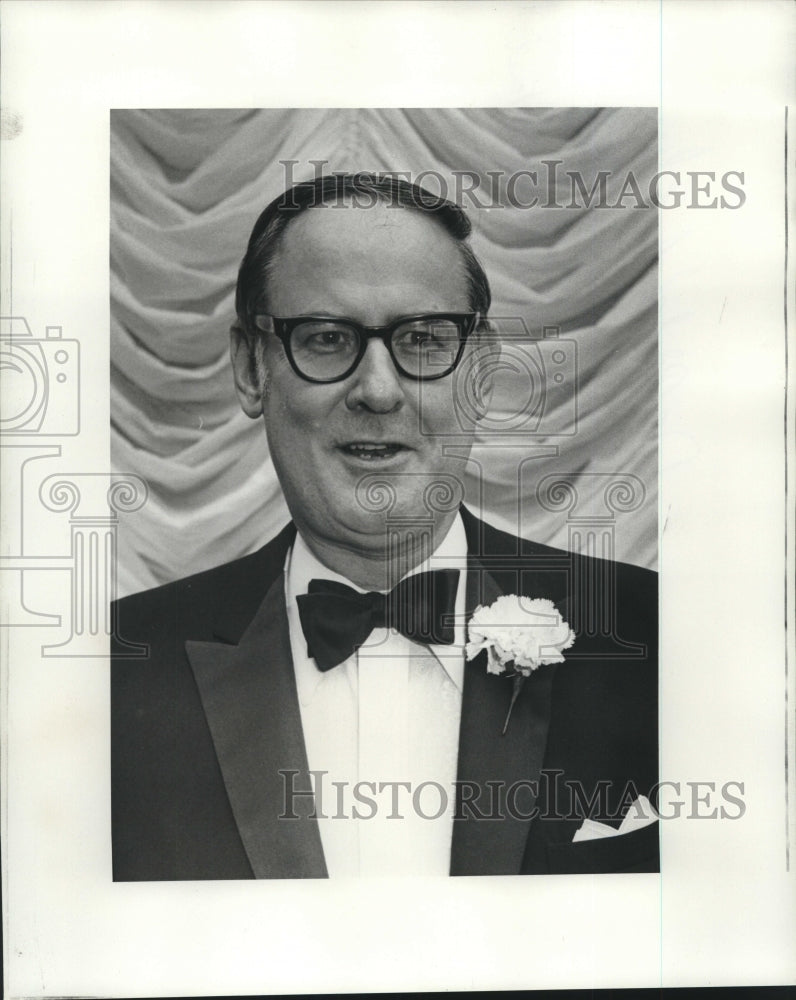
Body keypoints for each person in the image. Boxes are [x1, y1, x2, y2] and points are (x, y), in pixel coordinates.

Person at [111, 173, 658, 880]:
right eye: (327, 338)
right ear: (251, 367)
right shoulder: (112, 677)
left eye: (425, 340)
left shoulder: (655, 639)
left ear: (482, 372)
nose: (376, 389)